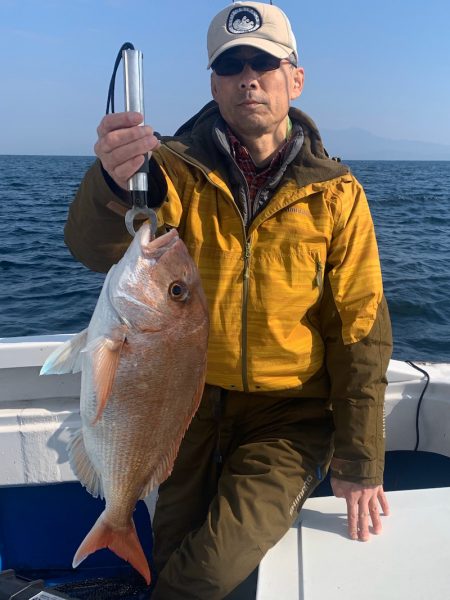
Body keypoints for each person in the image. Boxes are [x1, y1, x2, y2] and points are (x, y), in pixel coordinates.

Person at [65, 2, 393, 598]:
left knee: (207, 571)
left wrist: (360, 459)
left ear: (295, 77)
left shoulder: (338, 195)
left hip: (287, 418)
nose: (249, 78)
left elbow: (360, 333)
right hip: (187, 401)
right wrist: (112, 181)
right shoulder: (167, 168)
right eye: (231, 65)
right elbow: (92, 248)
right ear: (213, 83)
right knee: (169, 549)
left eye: (264, 63)